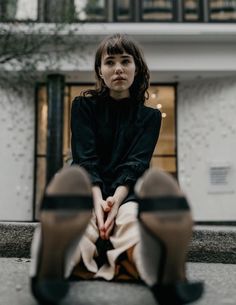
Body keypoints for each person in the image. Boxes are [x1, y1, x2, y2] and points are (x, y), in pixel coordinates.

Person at [30, 33, 204, 305]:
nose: (119, 68)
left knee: (132, 222)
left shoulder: (150, 117)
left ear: (137, 68)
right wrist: (99, 202)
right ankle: (52, 265)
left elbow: (136, 163)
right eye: (110, 62)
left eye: (125, 61)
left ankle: (162, 273)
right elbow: (85, 158)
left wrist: (116, 200)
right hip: (88, 188)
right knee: (81, 223)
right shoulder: (83, 106)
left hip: (128, 192)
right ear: (100, 70)